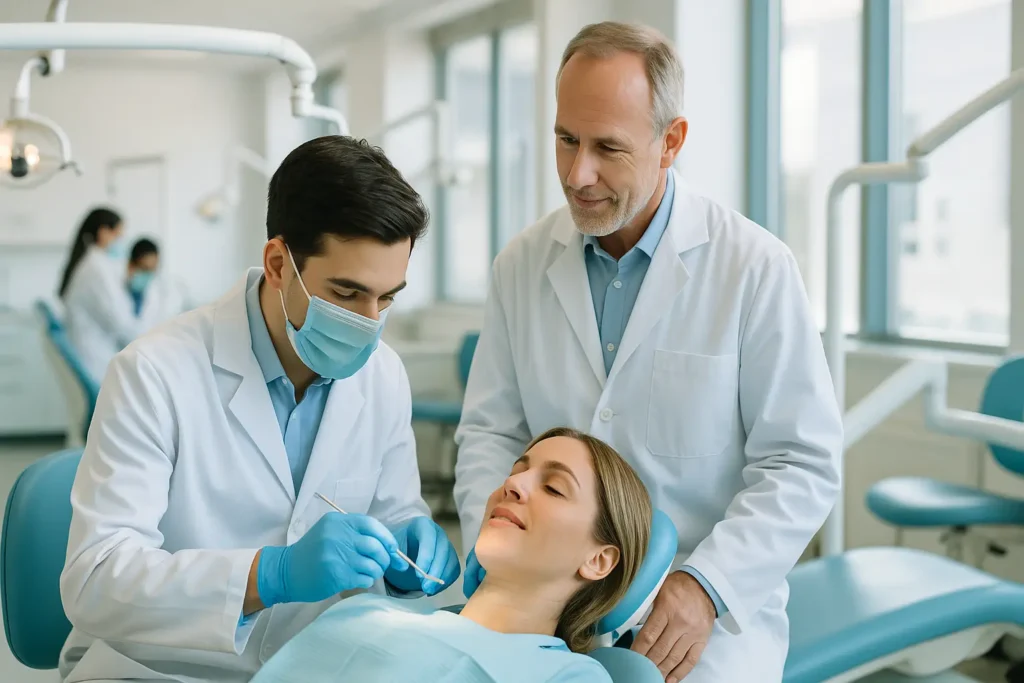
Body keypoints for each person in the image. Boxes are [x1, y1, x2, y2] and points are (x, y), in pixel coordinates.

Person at [453, 21, 843, 683]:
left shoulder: (753, 268)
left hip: (695, 615)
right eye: (566, 139)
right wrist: (502, 559)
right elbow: (491, 430)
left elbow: (801, 461)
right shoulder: (521, 263)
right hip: (549, 594)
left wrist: (706, 585)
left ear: (671, 142)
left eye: (608, 147)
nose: (579, 174)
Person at [59, 136, 461, 683]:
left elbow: (393, 513)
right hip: (158, 668)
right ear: (278, 263)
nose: (369, 322)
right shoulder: (153, 373)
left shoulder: (383, 375)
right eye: (346, 294)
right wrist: (267, 575)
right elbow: (95, 582)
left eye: (387, 298)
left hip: (312, 665)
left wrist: (409, 540)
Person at [251, 427, 652, 683]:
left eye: (554, 488)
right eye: (516, 470)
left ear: (598, 560)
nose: (513, 483)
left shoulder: (567, 677)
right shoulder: (361, 613)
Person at [59, 207, 145, 383]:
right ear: (104, 232)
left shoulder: (94, 264)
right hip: (94, 362)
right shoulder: (97, 269)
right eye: (118, 235)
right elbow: (120, 323)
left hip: (93, 355)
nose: (121, 241)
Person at [126, 238, 160, 316]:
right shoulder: (118, 290)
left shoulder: (158, 293)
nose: (148, 274)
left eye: (152, 270)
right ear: (131, 265)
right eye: (144, 269)